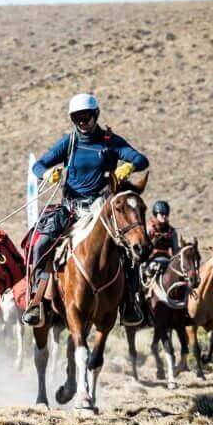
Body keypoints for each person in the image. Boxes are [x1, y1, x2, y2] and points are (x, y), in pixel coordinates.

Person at [22, 93, 149, 326]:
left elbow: (142, 160)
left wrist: (129, 166)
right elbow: (38, 165)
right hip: (71, 209)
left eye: (87, 116)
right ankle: (36, 300)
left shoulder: (110, 141)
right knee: (41, 244)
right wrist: (47, 174)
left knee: (130, 249)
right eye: (78, 117)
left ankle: (131, 302)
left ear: (95, 115)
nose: (83, 121)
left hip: (101, 209)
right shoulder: (69, 143)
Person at [141, 200, 181, 286]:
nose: (164, 216)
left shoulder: (172, 232)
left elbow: (175, 251)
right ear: (156, 214)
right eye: (161, 214)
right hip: (149, 261)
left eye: (166, 214)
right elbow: (143, 247)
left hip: (167, 261)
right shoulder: (148, 229)